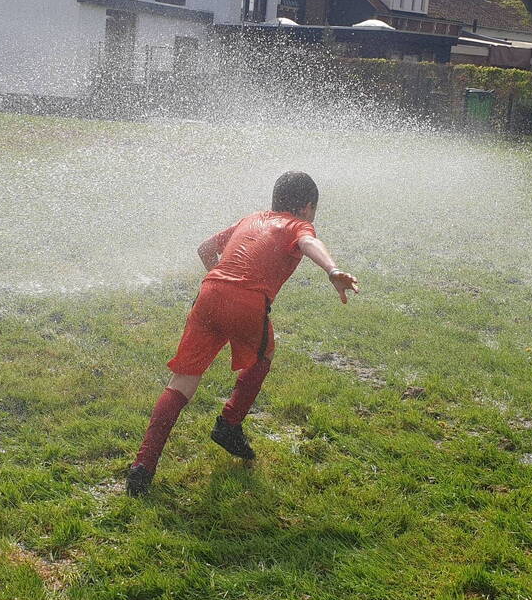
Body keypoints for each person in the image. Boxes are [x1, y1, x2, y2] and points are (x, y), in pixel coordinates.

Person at [126, 171, 359, 497]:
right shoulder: (298, 226)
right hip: (248, 303)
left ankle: (142, 467)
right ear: (307, 207)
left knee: (182, 380)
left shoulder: (251, 218)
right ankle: (229, 425)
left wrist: (223, 282)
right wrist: (332, 270)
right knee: (264, 355)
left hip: (209, 294)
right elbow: (308, 243)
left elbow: (205, 249)